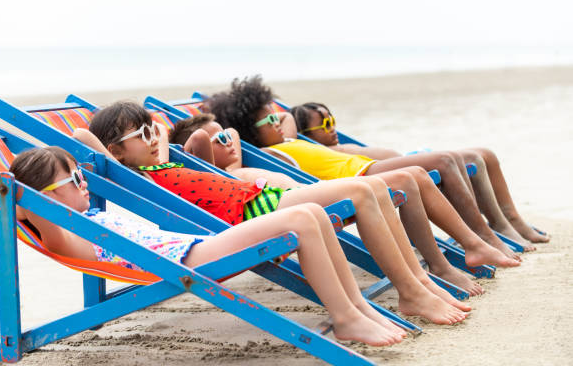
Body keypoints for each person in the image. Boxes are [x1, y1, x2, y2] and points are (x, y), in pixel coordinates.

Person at [71, 100, 474, 325]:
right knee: (365, 190)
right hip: (252, 213)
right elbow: (81, 136)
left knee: (371, 188)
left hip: (259, 198)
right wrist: (108, 149)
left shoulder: (165, 161)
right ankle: (411, 291)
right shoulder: (129, 176)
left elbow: (196, 141)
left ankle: (418, 282)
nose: (154, 136)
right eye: (141, 135)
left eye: (154, 127)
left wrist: (159, 134)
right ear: (117, 152)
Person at [10, 146, 408, 346]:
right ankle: (347, 318)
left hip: (196, 246)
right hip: (187, 260)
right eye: (73, 181)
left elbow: (79, 147)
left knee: (312, 215)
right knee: (303, 216)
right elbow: (31, 206)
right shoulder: (67, 233)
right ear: (42, 199)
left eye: (82, 176)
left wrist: (65, 174)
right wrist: (16, 197)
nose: (84, 184)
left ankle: (353, 310)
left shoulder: (89, 219)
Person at [207, 75, 535, 260]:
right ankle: (480, 238)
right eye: (267, 119)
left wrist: (270, 113)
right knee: (443, 161)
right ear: (250, 130)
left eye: (275, 114)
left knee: (471, 155)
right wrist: (241, 128)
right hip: (362, 176)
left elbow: (288, 116)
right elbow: (250, 135)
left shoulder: (283, 137)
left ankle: (499, 227)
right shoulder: (271, 152)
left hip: (368, 168)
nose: (277, 120)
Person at [291, 101, 550, 246]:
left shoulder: (334, 148)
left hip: (407, 159)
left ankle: (510, 219)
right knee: (466, 158)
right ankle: (487, 230)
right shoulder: (319, 153)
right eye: (324, 125)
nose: (332, 127)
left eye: (332, 120)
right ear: (304, 134)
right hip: (395, 171)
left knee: (485, 154)